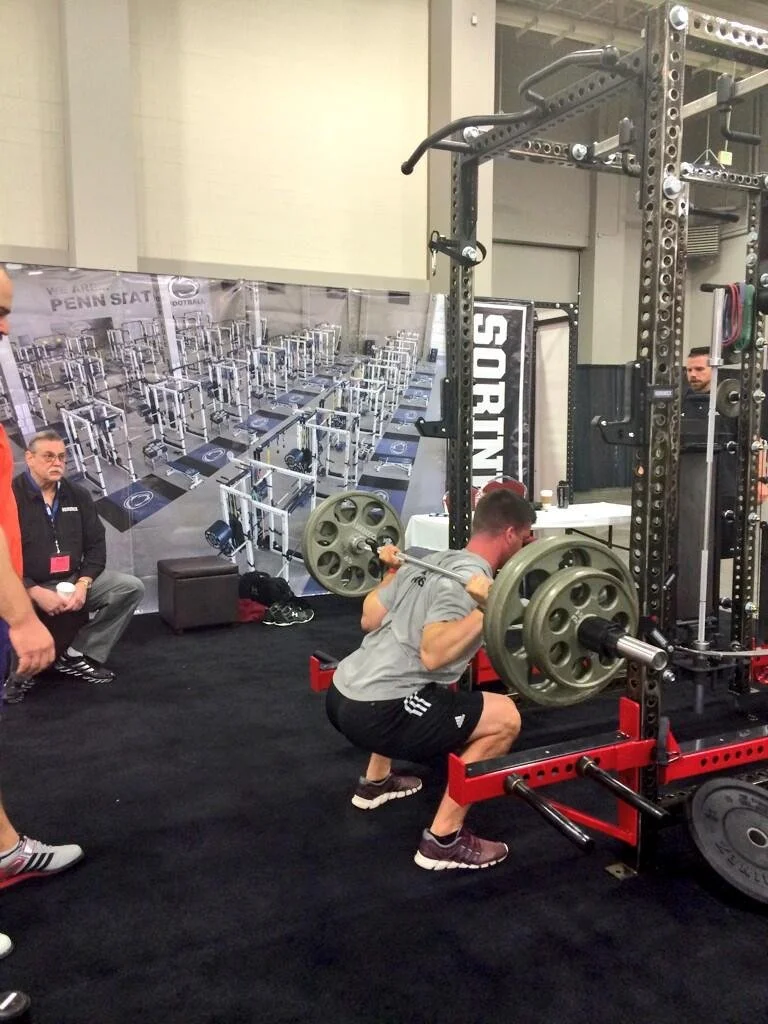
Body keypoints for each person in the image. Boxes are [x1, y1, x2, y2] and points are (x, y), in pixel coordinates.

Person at [325, 488, 535, 871]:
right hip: (378, 711)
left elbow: (368, 620)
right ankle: (443, 841)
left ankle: (376, 782)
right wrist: (487, 609)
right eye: (526, 538)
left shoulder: (428, 561)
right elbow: (434, 654)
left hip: (342, 694)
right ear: (509, 533)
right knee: (505, 716)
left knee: (417, 680)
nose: (527, 546)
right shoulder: (471, 578)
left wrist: (392, 572)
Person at [0, 268, 84, 958]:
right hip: (19, 596)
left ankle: (5, 850)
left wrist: (75, 585)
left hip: (46, 594)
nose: (5, 326)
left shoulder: (76, 495)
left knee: (107, 589)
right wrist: (23, 611)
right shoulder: (17, 475)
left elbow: (89, 550)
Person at [12, 429, 145, 684]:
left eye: (62, 457)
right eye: (48, 456)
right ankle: (18, 671)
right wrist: (33, 590)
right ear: (29, 458)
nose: (57, 462)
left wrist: (83, 583)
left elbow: (96, 545)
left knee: (129, 588)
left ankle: (75, 654)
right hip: (25, 585)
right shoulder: (9, 496)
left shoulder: (78, 494)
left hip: (71, 580)